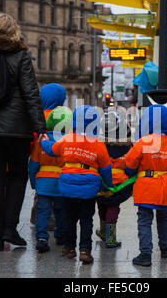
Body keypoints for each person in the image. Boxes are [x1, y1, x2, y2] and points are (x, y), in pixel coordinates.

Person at [0, 13, 47, 251]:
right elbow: (30, 93)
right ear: (14, 31)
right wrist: (40, 127)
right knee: (16, 176)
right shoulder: (20, 55)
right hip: (16, 129)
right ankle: (10, 230)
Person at [41, 105, 112, 264]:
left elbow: (52, 150)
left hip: (68, 185)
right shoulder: (98, 144)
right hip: (89, 188)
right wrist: (107, 186)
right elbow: (106, 169)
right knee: (86, 219)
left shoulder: (67, 139)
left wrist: (44, 142)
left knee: (69, 218)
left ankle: (69, 247)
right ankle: (85, 250)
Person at [125, 105, 167, 267]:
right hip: (165, 189)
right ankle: (165, 248)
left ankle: (145, 253)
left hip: (146, 188)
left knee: (144, 219)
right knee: (164, 218)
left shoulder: (143, 142)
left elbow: (129, 164)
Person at [29, 106, 72, 253]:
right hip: (62, 183)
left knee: (43, 212)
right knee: (61, 211)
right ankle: (60, 235)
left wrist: (34, 183)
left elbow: (33, 165)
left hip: (43, 184)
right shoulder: (68, 141)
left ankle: (41, 237)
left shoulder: (41, 141)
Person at [29, 83, 67, 226]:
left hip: (41, 162)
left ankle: (39, 221)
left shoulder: (38, 116)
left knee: (42, 197)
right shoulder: (64, 116)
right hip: (60, 173)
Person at [96, 110, 133, 248]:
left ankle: (104, 231)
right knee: (113, 206)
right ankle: (111, 238)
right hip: (120, 185)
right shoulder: (128, 147)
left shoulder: (99, 146)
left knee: (101, 204)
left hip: (101, 182)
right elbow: (131, 167)